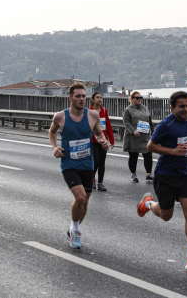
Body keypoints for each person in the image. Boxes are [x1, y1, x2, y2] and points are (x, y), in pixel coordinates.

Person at [137, 91, 187, 274]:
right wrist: (172, 151)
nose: (186, 109)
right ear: (173, 108)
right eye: (182, 107)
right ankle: (148, 203)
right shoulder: (166, 125)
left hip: (186, 174)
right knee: (166, 215)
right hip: (166, 175)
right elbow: (150, 146)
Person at [49, 83, 109, 250]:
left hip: (86, 163)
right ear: (70, 98)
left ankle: (72, 227)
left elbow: (98, 133)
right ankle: (76, 231)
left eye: (83, 96)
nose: (81, 99)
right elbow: (51, 131)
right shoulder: (60, 117)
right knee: (80, 197)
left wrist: (104, 141)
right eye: (78, 96)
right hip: (69, 163)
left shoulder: (92, 115)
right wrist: (54, 147)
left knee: (85, 202)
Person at [122, 91, 154, 183]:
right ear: (132, 99)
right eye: (137, 98)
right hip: (133, 137)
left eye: (141, 98)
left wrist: (153, 133)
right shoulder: (128, 110)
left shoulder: (145, 108)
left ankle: (148, 174)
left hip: (145, 136)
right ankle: (133, 175)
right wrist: (133, 131)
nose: (139, 99)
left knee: (148, 155)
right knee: (133, 156)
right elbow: (126, 122)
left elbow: (150, 121)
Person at [89, 92, 114, 191]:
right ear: (93, 100)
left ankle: (100, 183)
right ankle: (92, 179)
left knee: (102, 162)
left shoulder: (104, 110)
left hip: (103, 140)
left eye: (101, 97)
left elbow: (108, 125)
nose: (99, 99)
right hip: (93, 140)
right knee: (96, 161)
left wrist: (111, 140)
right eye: (97, 97)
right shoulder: (88, 111)